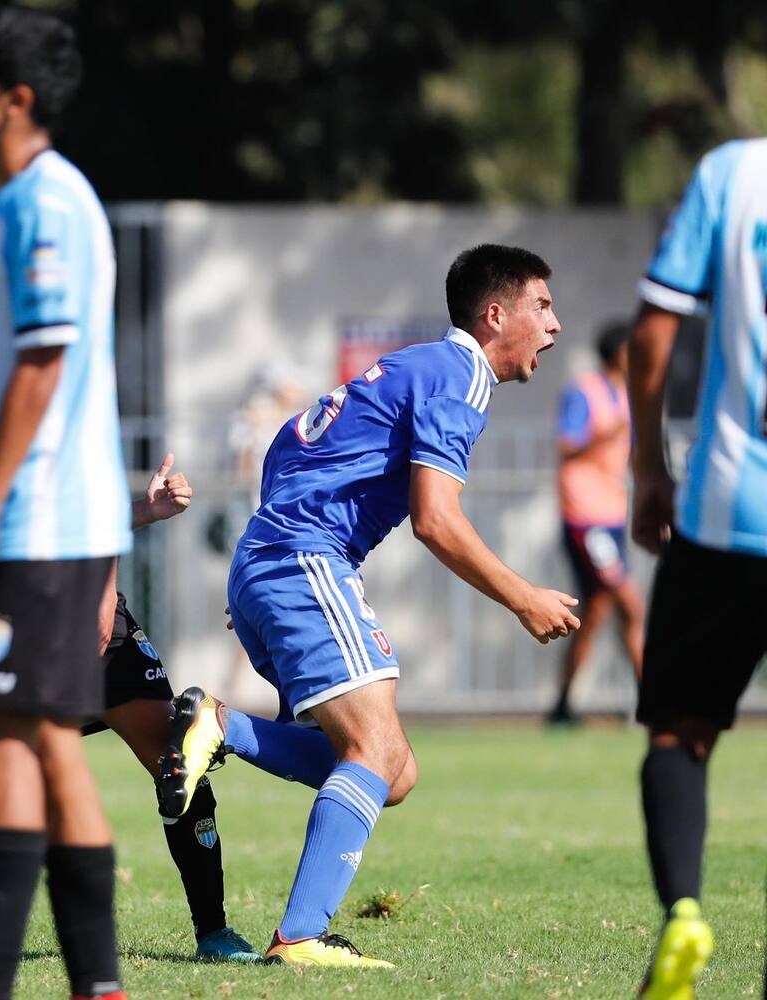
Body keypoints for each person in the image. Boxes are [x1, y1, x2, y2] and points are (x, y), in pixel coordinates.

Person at [157, 243, 581, 968]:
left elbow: (289, 446)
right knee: (375, 753)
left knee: (395, 772)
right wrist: (524, 598)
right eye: (542, 306)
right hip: (302, 563)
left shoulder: (410, 366)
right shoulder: (460, 375)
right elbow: (436, 520)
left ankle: (217, 726)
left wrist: (262, 569)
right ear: (495, 314)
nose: (555, 325)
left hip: (273, 564)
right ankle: (299, 938)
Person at [0, 8, 126, 998]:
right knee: (28, 741)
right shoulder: (4, 206)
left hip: (43, 520)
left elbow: (41, 360)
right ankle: (81, 985)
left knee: (8, 740)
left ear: (12, 98)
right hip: (40, 520)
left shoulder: (46, 203)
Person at [0, 444, 257, 963]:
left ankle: (213, 931)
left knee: (178, 765)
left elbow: (85, 508)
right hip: (14, 612)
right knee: (4, 761)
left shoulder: (65, 381)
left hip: (95, 617)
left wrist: (135, 525)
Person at [628, 137, 767, 998]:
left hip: (729, 508)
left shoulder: (736, 173)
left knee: (680, 731)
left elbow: (653, 328)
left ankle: (683, 911)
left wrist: (650, 467)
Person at [547, 321, 644, 724]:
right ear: (617, 351)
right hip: (585, 515)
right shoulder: (584, 391)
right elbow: (567, 444)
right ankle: (655, 702)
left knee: (599, 609)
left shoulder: (630, 395)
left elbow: (636, 456)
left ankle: (563, 705)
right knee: (629, 602)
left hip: (612, 514)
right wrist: (606, 435)